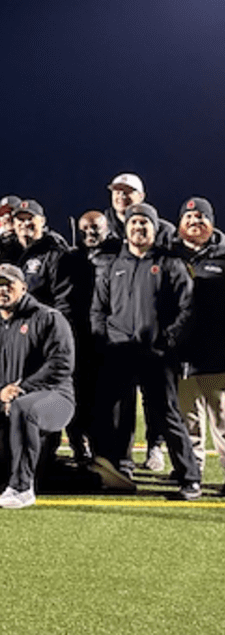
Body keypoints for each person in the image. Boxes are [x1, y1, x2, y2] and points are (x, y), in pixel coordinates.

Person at [89, 202, 201, 499]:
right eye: (134, 223)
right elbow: (98, 309)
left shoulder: (169, 263)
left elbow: (187, 309)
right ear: (126, 229)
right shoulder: (114, 266)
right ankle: (121, 470)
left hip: (156, 355)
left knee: (167, 414)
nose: (139, 228)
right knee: (118, 414)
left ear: (154, 228)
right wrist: (105, 339)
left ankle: (190, 478)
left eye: (145, 223)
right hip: (120, 353)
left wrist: (168, 341)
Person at [0, 264, 76, 508]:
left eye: (10, 284)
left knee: (23, 407)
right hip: (8, 410)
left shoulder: (49, 317)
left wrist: (21, 390)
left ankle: (22, 489)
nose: (3, 289)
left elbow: (61, 363)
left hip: (57, 400)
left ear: (24, 288)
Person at [172, 197, 225, 480]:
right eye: (189, 218)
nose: (195, 222)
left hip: (217, 352)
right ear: (180, 224)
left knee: (223, 419)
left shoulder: (224, 255)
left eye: (201, 218)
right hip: (180, 354)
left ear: (211, 223)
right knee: (187, 418)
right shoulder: (169, 255)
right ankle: (192, 472)